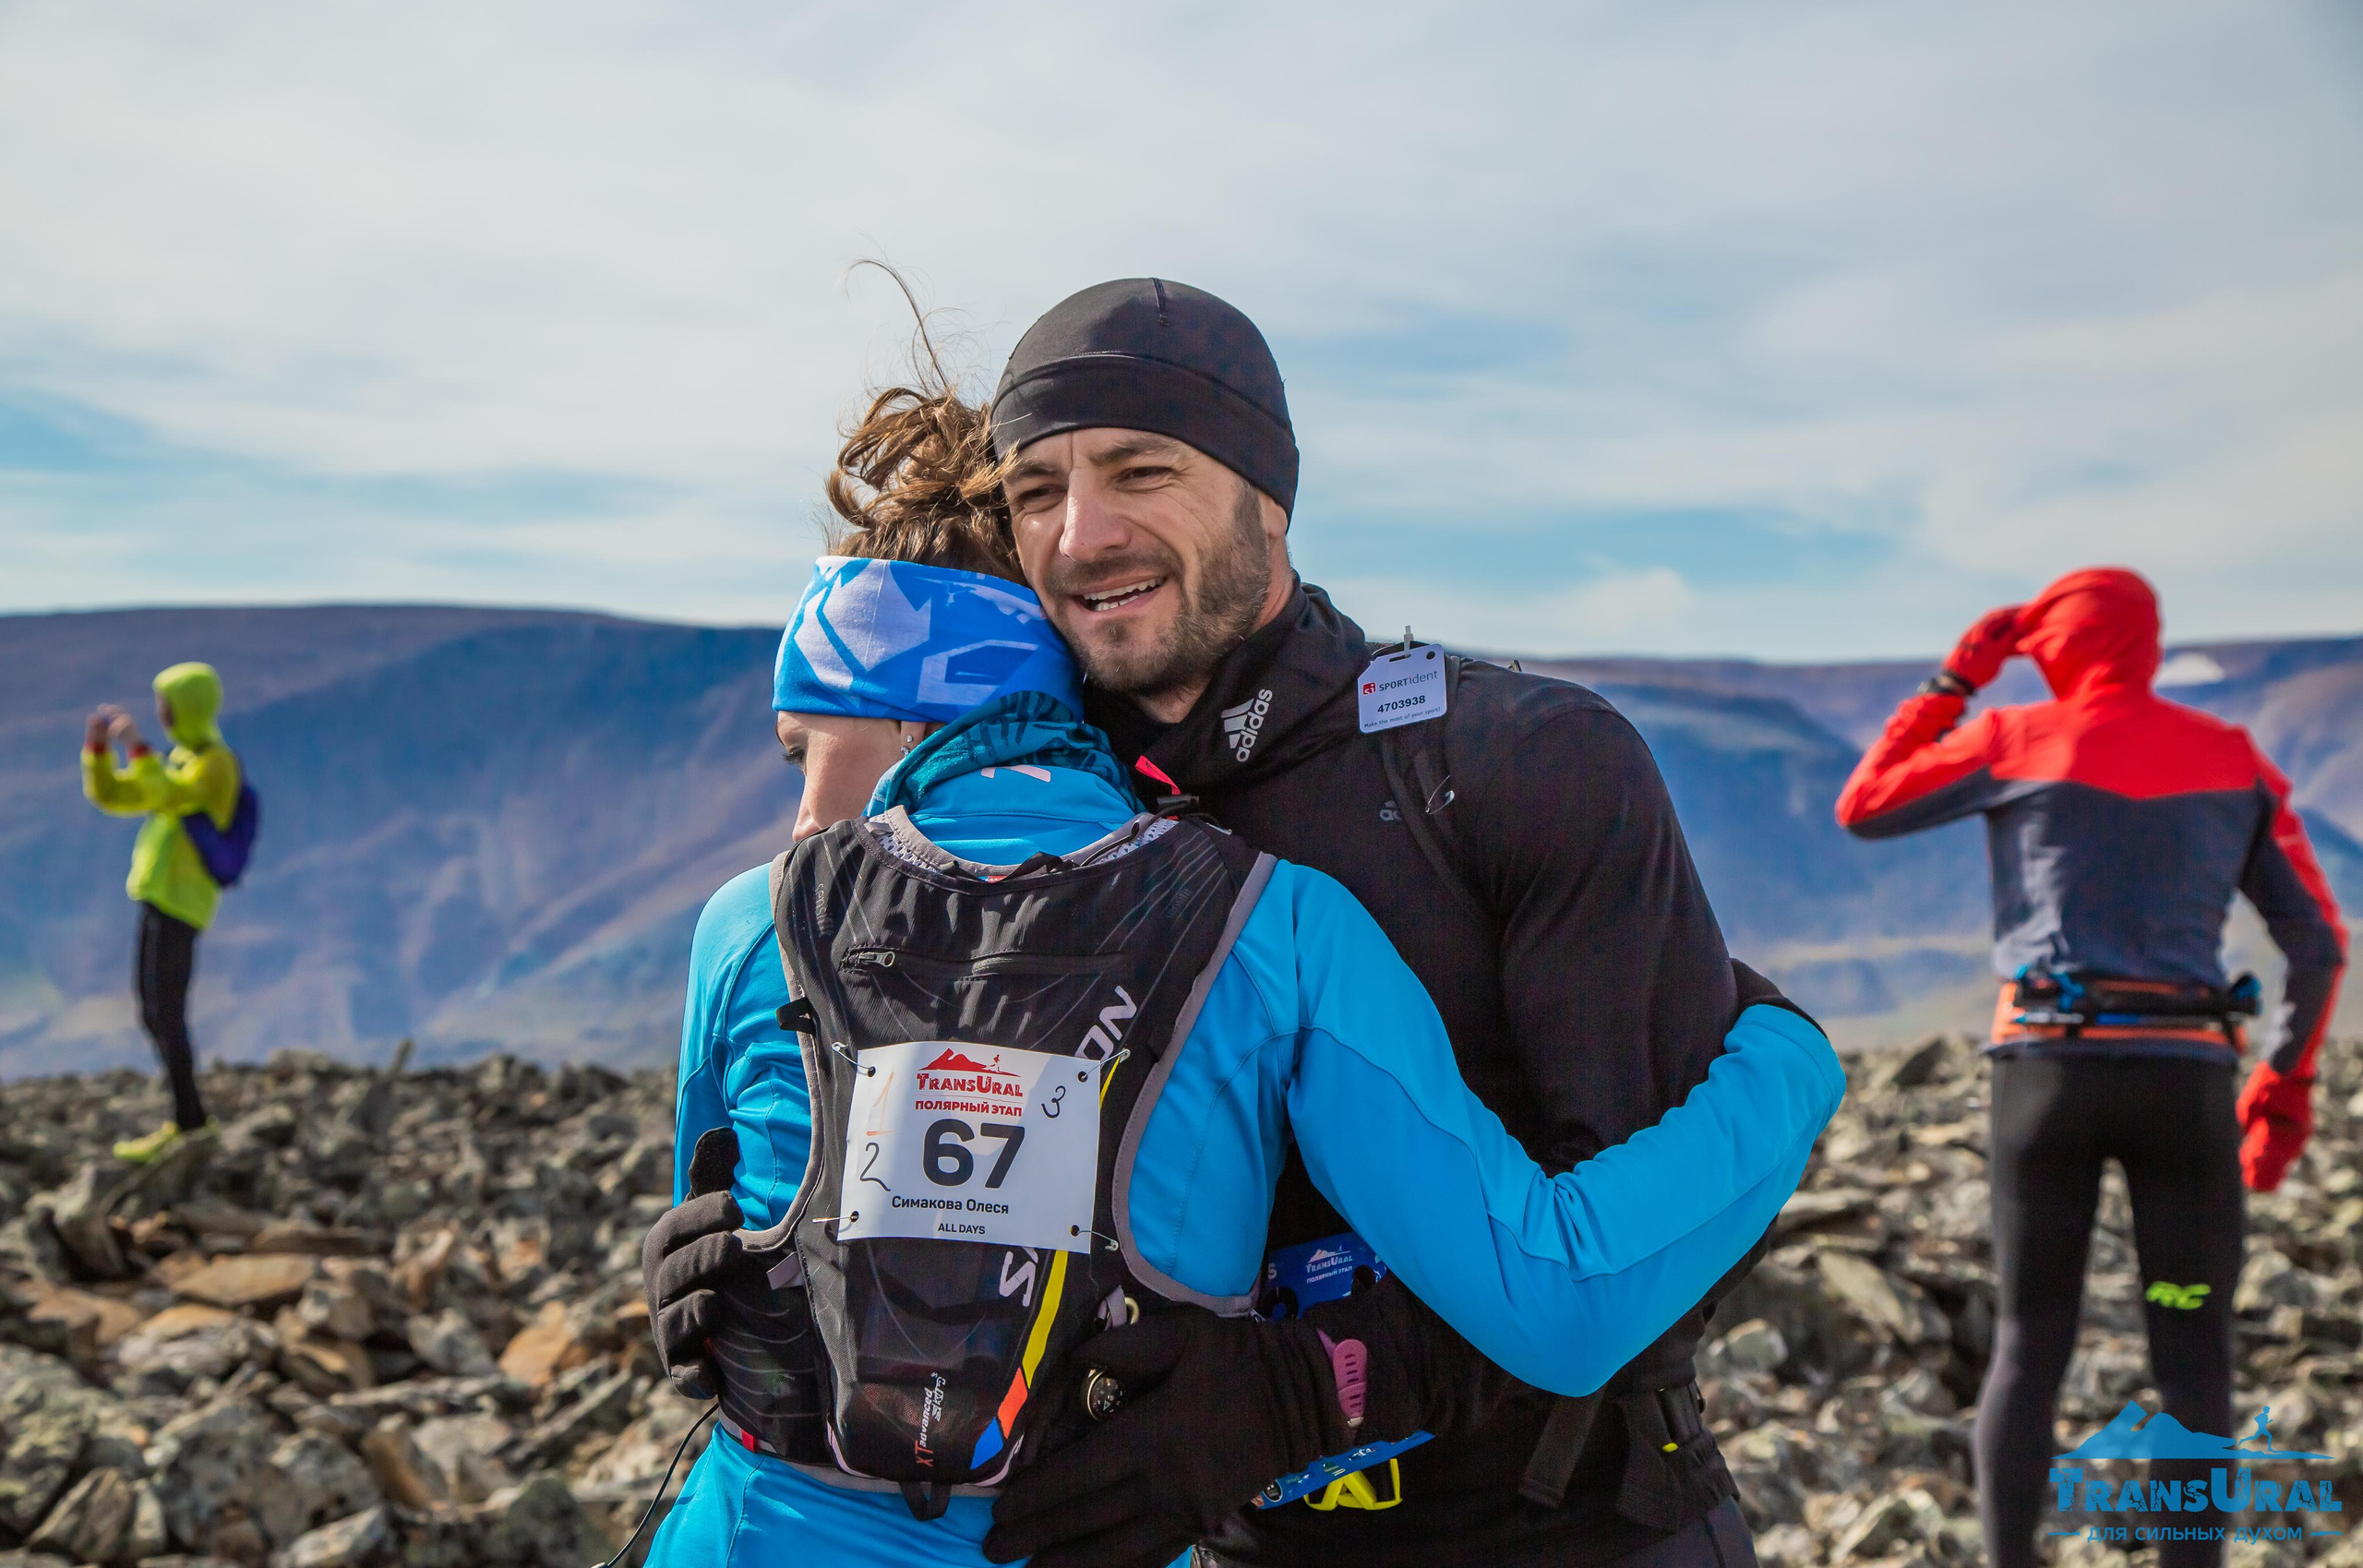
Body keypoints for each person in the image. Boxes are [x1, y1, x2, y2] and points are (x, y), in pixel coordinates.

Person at [637, 371, 1844, 1568]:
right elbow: (1563, 1289)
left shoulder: (751, 924)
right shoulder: (1267, 921)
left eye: (807, 750)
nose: (800, 816)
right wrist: (1787, 1055)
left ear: (905, 700)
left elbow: (749, 1189)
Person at [968, 279, 1790, 1568]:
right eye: (1035, 492)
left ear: (1268, 493)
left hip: (1573, 1531)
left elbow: (1651, 1262)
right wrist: (761, 1262)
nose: (1082, 536)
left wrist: (1302, 1391)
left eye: (1142, 470)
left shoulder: (1520, 763)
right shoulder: (1033, 827)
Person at [1833, 568, 2346, 1568]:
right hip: (2185, 1092)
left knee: (2029, 1346)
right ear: (2146, 644)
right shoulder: (2231, 758)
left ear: (2051, 644)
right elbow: (2318, 944)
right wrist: (2282, 1083)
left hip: (2046, 1085)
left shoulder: (2013, 737)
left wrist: (1954, 681)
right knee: (2192, 1353)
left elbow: (1865, 805)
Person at [80, 662, 243, 1162]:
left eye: (167, 703)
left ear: (189, 705)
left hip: (182, 903)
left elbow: (167, 793)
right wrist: (99, 752)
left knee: (167, 1012)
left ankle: (190, 1123)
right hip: (156, 897)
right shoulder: (179, 758)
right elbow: (119, 795)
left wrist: (137, 748)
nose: (161, 713)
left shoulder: (214, 765)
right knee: (153, 1013)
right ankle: (187, 1118)